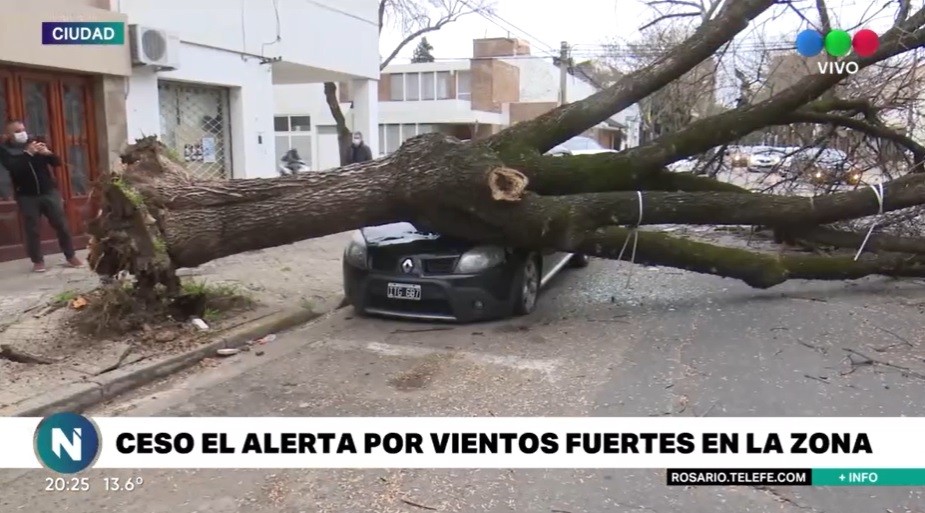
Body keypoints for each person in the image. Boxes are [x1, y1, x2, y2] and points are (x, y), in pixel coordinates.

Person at [0, 120, 83, 272]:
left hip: (48, 192)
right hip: (26, 195)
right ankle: (37, 261)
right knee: (32, 230)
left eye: (23, 129)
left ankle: (70, 255)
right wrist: (28, 154)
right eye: (17, 131)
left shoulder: (35, 141)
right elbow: (14, 168)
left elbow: (57, 163)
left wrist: (48, 153)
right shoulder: (5, 150)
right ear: (9, 135)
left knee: (62, 225)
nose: (22, 133)